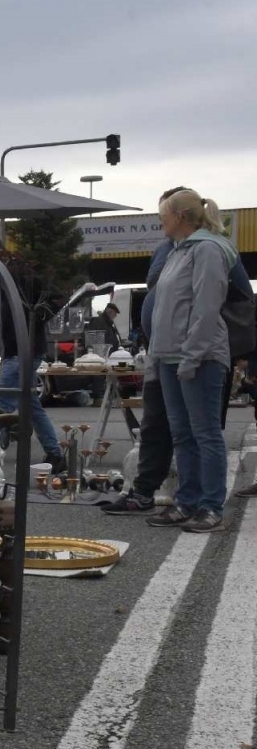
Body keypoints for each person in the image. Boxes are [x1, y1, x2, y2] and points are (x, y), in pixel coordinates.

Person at [144, 189, 237, 532]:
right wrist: (157, 356)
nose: (160, 221)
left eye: (163, 215)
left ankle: (211, 506)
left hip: (199, 358)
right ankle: (186, 502)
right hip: (170, 357)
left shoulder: (207, 250)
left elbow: (206, 307)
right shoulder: (178, 252)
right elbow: (167, 307)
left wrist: (192, 356)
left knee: (205, 433)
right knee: (183, 434)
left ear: (180, 217)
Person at [0, 237, 67, 474]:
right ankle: (55, 455)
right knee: (31, 406)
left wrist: (34, 321)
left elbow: (54, 298)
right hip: (10, 355)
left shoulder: (20, 279)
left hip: (22, 352)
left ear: (1, 255)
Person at [98, 232, 175, 515]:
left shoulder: (197, 250)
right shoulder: (168, 248)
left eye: (166, 214)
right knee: (155, 425)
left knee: (190, 430)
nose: (162, 221)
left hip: (179, 353)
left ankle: (194, 497)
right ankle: (143, 493)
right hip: (159, 351)